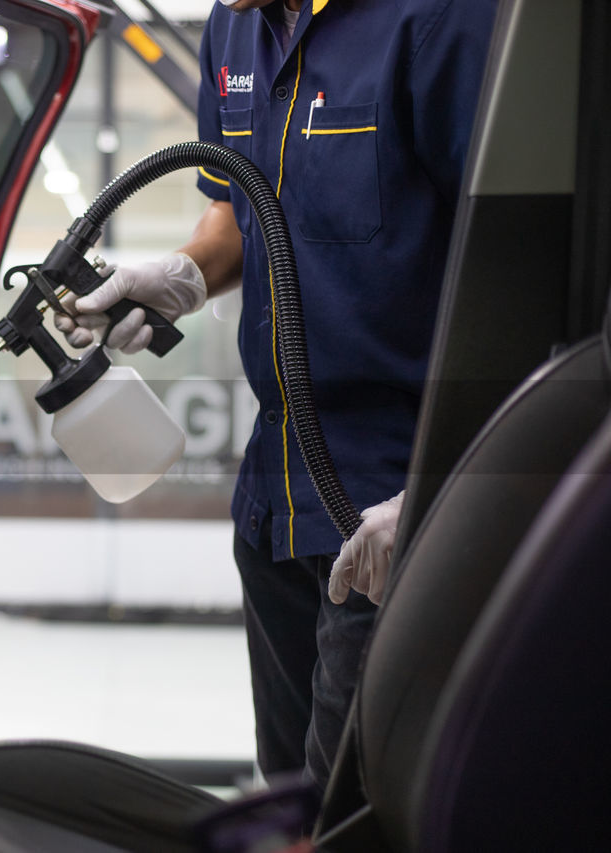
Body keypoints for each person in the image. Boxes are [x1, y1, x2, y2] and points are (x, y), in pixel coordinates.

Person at [55, 0, 496, 793]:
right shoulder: (237, 24)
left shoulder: (442, 21)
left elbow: (518, 258)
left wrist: (439, 486)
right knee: (288, 791)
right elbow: (237, 206)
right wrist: (181, 277)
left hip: (393, 508)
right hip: (275, 503)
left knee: (352, 809)